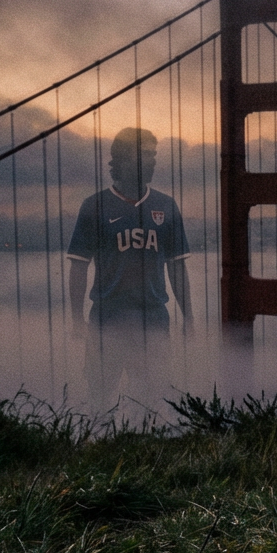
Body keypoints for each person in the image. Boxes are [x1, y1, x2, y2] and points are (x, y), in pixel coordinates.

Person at [67, 127, 192, 407]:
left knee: (153, 400)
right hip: (107, 317)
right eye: (145, 154)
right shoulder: (95, 206)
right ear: (123, 159)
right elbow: (78, 266)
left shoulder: (166, 205)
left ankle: (145, 449)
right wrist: (76, 318)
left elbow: (177, 267)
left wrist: (189, 317)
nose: (153, 161)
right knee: (100, 398)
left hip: (154, 319)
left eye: (154, 154)